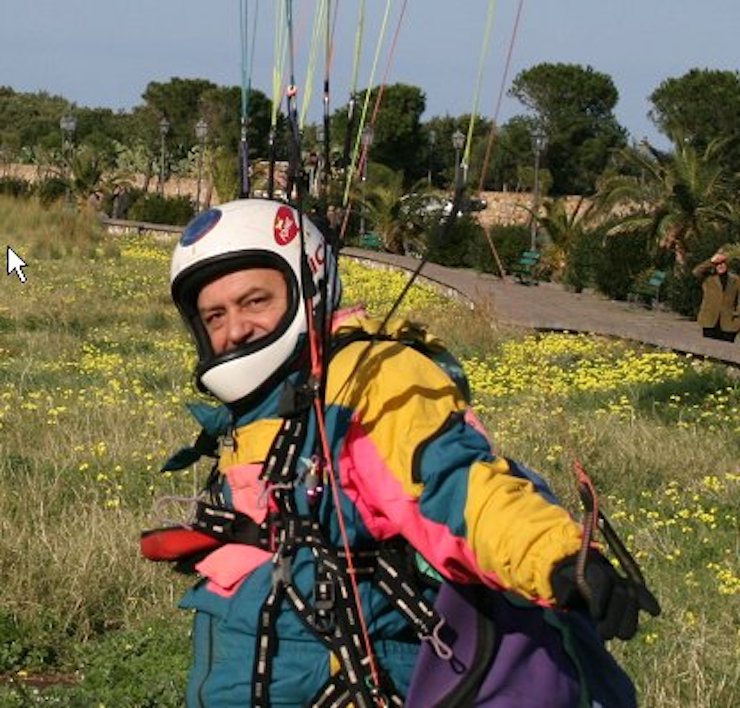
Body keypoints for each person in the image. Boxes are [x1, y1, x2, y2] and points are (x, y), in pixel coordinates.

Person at [146, 198, 657, 706]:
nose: (235, 329)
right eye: (215, 315)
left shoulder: (365, 382)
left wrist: (555, 556)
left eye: (255, 301)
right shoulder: (263, 410)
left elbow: (450, 484)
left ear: (308, 291)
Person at [692, 251, 740, 342]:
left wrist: (738, 318)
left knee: (727, 350)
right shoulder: (708, 278)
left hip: (729, 322)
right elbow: (696, 272)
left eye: (722, 263)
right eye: (717, 264)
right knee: (708, 348)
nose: (720, 266)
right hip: (709, 320)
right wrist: (711, 261)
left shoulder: (736, 280)